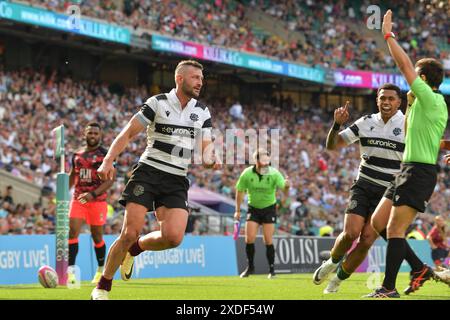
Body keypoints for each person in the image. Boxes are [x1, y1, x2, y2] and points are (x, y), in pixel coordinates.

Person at [91, 60, 218, 300]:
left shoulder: (202, 111)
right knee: (129, 232)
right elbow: (128, 131)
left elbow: (206, 147)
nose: (200, 82)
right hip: (148, 173)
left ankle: (135, 249)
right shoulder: (157, 102)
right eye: (195, 77)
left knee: (173, 237)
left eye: (201, 78)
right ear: (179, 79)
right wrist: (108, 160)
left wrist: (212, 158)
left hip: (177, 178)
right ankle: (102, 286)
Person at [365, 10, 448, 298]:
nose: (410, 85)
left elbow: (403, 66)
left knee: (395, 228)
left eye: (416, 77)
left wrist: (388, 35)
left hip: (418, 172)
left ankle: (388, 288)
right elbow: (433, 138)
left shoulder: (430, 97)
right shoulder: (425, 106)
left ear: (423, 79)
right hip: (407, 170)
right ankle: (418, 267)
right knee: (378, 223)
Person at [313, 84, 415, 293]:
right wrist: (336, 125)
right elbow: (332, 146)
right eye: (382, 98)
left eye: (391, 99)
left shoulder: (408, 125)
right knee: (350, 233)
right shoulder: (366, 122)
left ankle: (338, 280)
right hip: (364, 185)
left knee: (367, 240)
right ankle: (332, 261)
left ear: (399, 102)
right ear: (377, 100)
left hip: (388, 192)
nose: (386, 102)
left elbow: (427, 147)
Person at [67, 122, 114, 284]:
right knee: (72, 232)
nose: (92, 136)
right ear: (84, 134)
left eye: (95, 133)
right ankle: (70, 272)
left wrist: (92, 194)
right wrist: (62, 191)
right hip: (78, 199)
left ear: (100, 136)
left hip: (97, 201)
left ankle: (101, 270)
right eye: (90, 133)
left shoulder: (105, 155)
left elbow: (109, 182)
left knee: (97, 236)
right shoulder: (76, 154)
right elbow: (73, 175)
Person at [234, 148, 290, 279]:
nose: (266, 163)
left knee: (268, 240)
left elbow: (284, 190)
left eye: (267, 160)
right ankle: (250, 268)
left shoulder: (274, 173)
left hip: (269, 208)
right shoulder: (247, 174)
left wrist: (287, 187)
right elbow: (240, 191)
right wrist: (237, 210)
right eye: (263, 160)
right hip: (253, 208)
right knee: (249, 239)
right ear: (256, 160)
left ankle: (272, 270)